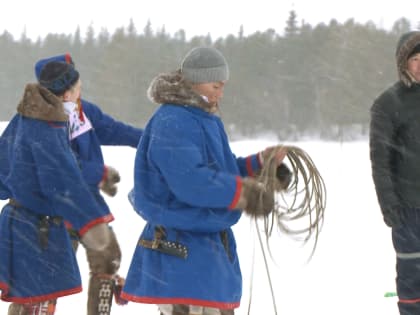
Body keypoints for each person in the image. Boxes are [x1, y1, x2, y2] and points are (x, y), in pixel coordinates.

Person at [120, 46, 289, 315]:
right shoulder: (173, 120)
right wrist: (244, 194)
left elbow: (222, 170)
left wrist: (259, 164)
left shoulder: (204, 119)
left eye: (223, 87)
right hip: (179, 247)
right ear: (194, 81)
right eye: (215, 86)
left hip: (206, 248)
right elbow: (191, 182)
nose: (220, 94)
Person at [0, 61, 114, 315]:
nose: (79, 95)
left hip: (18, 224)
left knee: (26, 301)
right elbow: (63, 184)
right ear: (65, 94)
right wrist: (90, 223)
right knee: (38, 301)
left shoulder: (24, 118)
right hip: (37, 229)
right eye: (77, 90)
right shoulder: (47, 125)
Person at [34, 53, 144, 315]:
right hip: (54, 211)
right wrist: (98, 172)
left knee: (107, 259)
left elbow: (115, 130)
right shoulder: (41, 120)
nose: (76, 85)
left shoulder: (84, 111)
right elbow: (59, 166)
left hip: (87, 207)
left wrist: (151, 139)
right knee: (49, 276)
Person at [370, 30, 420, 315]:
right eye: (415, 58)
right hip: (409, 209)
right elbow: (380, 161)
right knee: (413, 280)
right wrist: (389, 204)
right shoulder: (389, 103)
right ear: (403, 63)